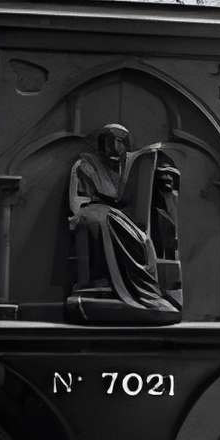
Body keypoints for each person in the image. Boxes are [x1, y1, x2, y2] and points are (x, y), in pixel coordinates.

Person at [65, 122, 180, 323]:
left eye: (120, 142)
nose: (115, 147)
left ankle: (145, 290)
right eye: (110, 141)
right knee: (104, 219)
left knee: (142, 238)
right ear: (101, 144)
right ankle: (130, 291)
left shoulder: (126, 167)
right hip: (92, 214)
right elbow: (78, 205)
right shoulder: (85, 165)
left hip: (120, 217)